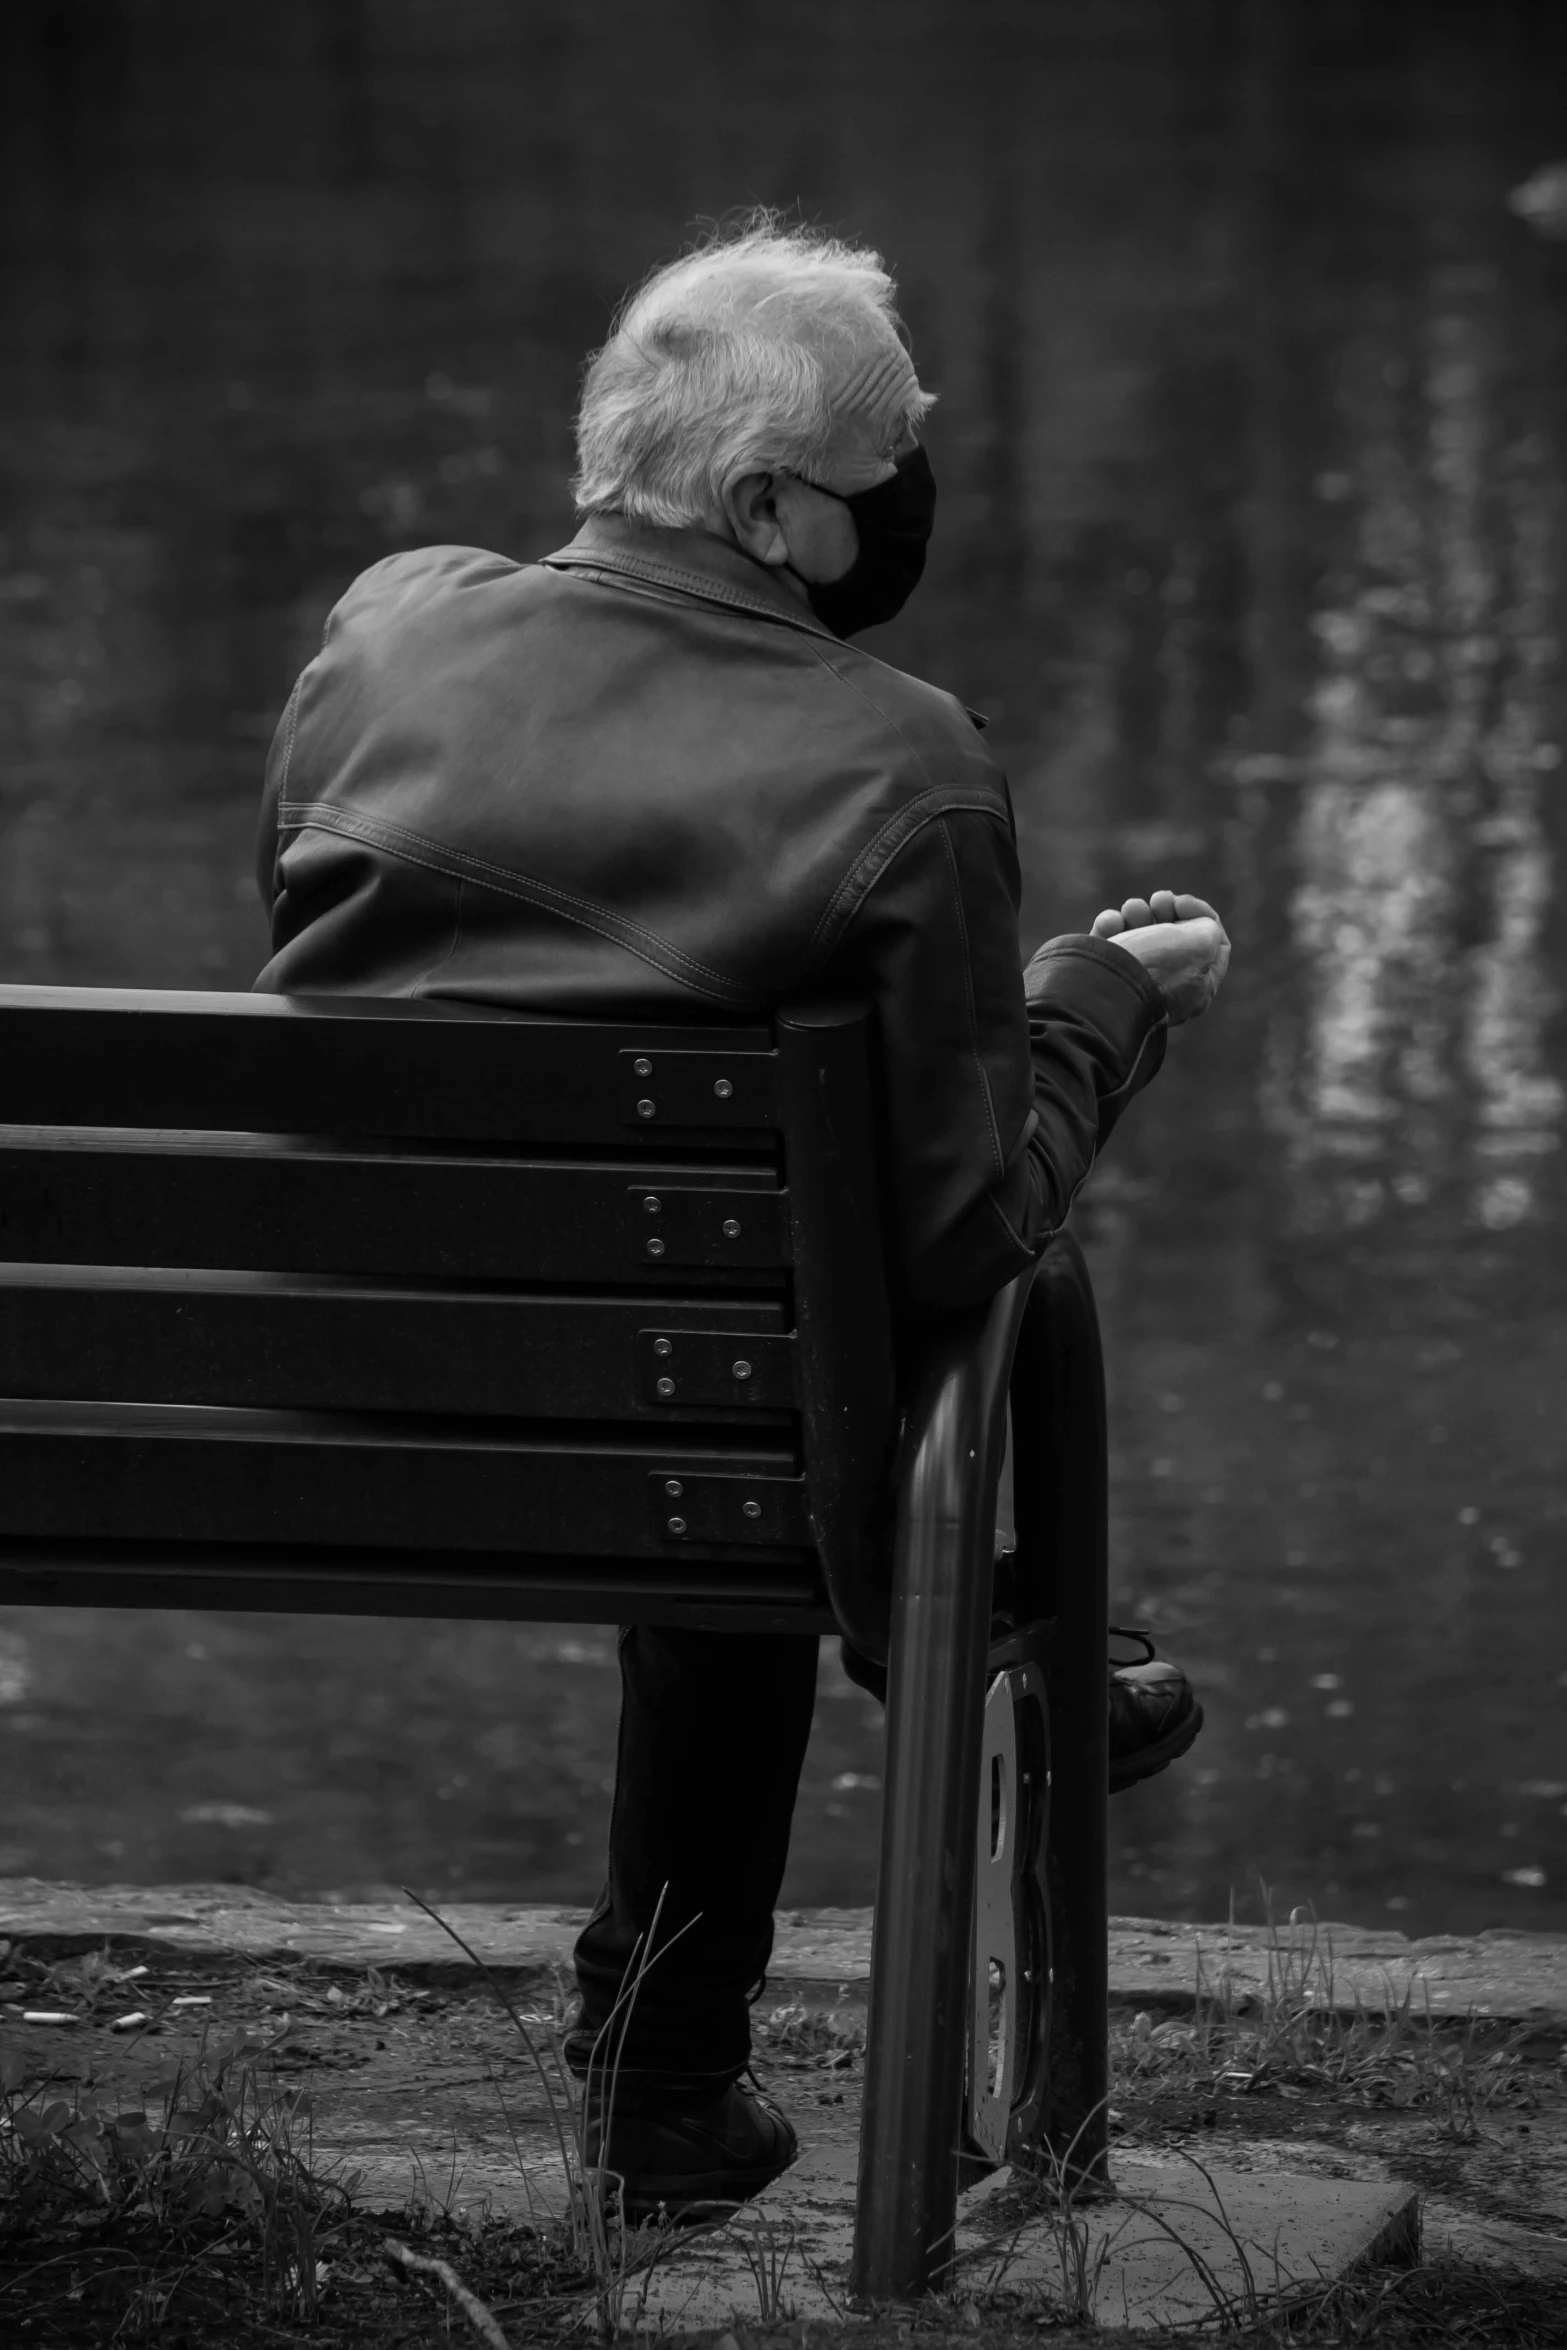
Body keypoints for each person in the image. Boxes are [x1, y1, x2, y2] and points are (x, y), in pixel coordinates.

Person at [253, 219, 1231, 2222]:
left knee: (732, 1345)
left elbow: (312, 941)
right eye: (883, 474)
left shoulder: (383, 631)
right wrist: (1097, 1016)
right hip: (705, 1446)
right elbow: (971, 1235)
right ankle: (972, 1679)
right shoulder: (902, 762)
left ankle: (713, 2021)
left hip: (323, 1386)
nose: (907, 508)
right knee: (806, 1376)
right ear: (772, 508)